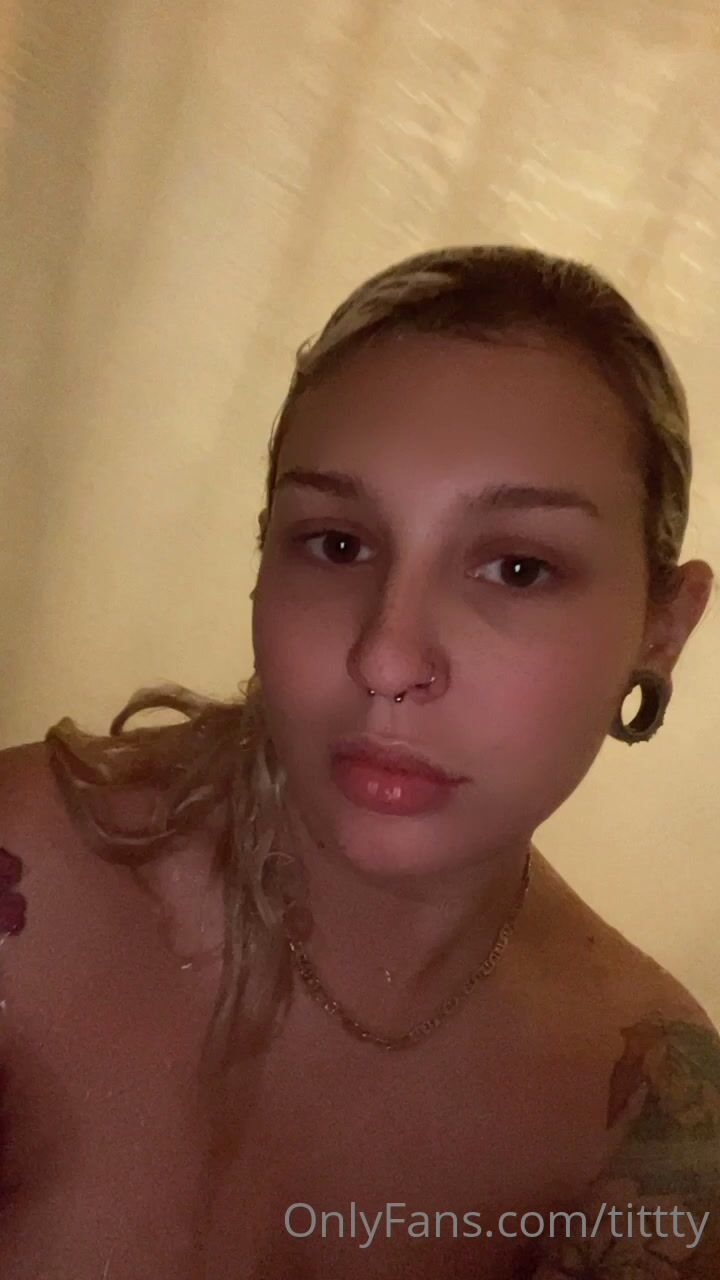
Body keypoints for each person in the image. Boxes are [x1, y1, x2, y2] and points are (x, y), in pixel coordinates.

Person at [0, 244, 718, 1279]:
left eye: (518, 567)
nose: (386, 658)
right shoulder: (29, 890)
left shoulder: (648, 1114)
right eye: (337, 543)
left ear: (663, 626)